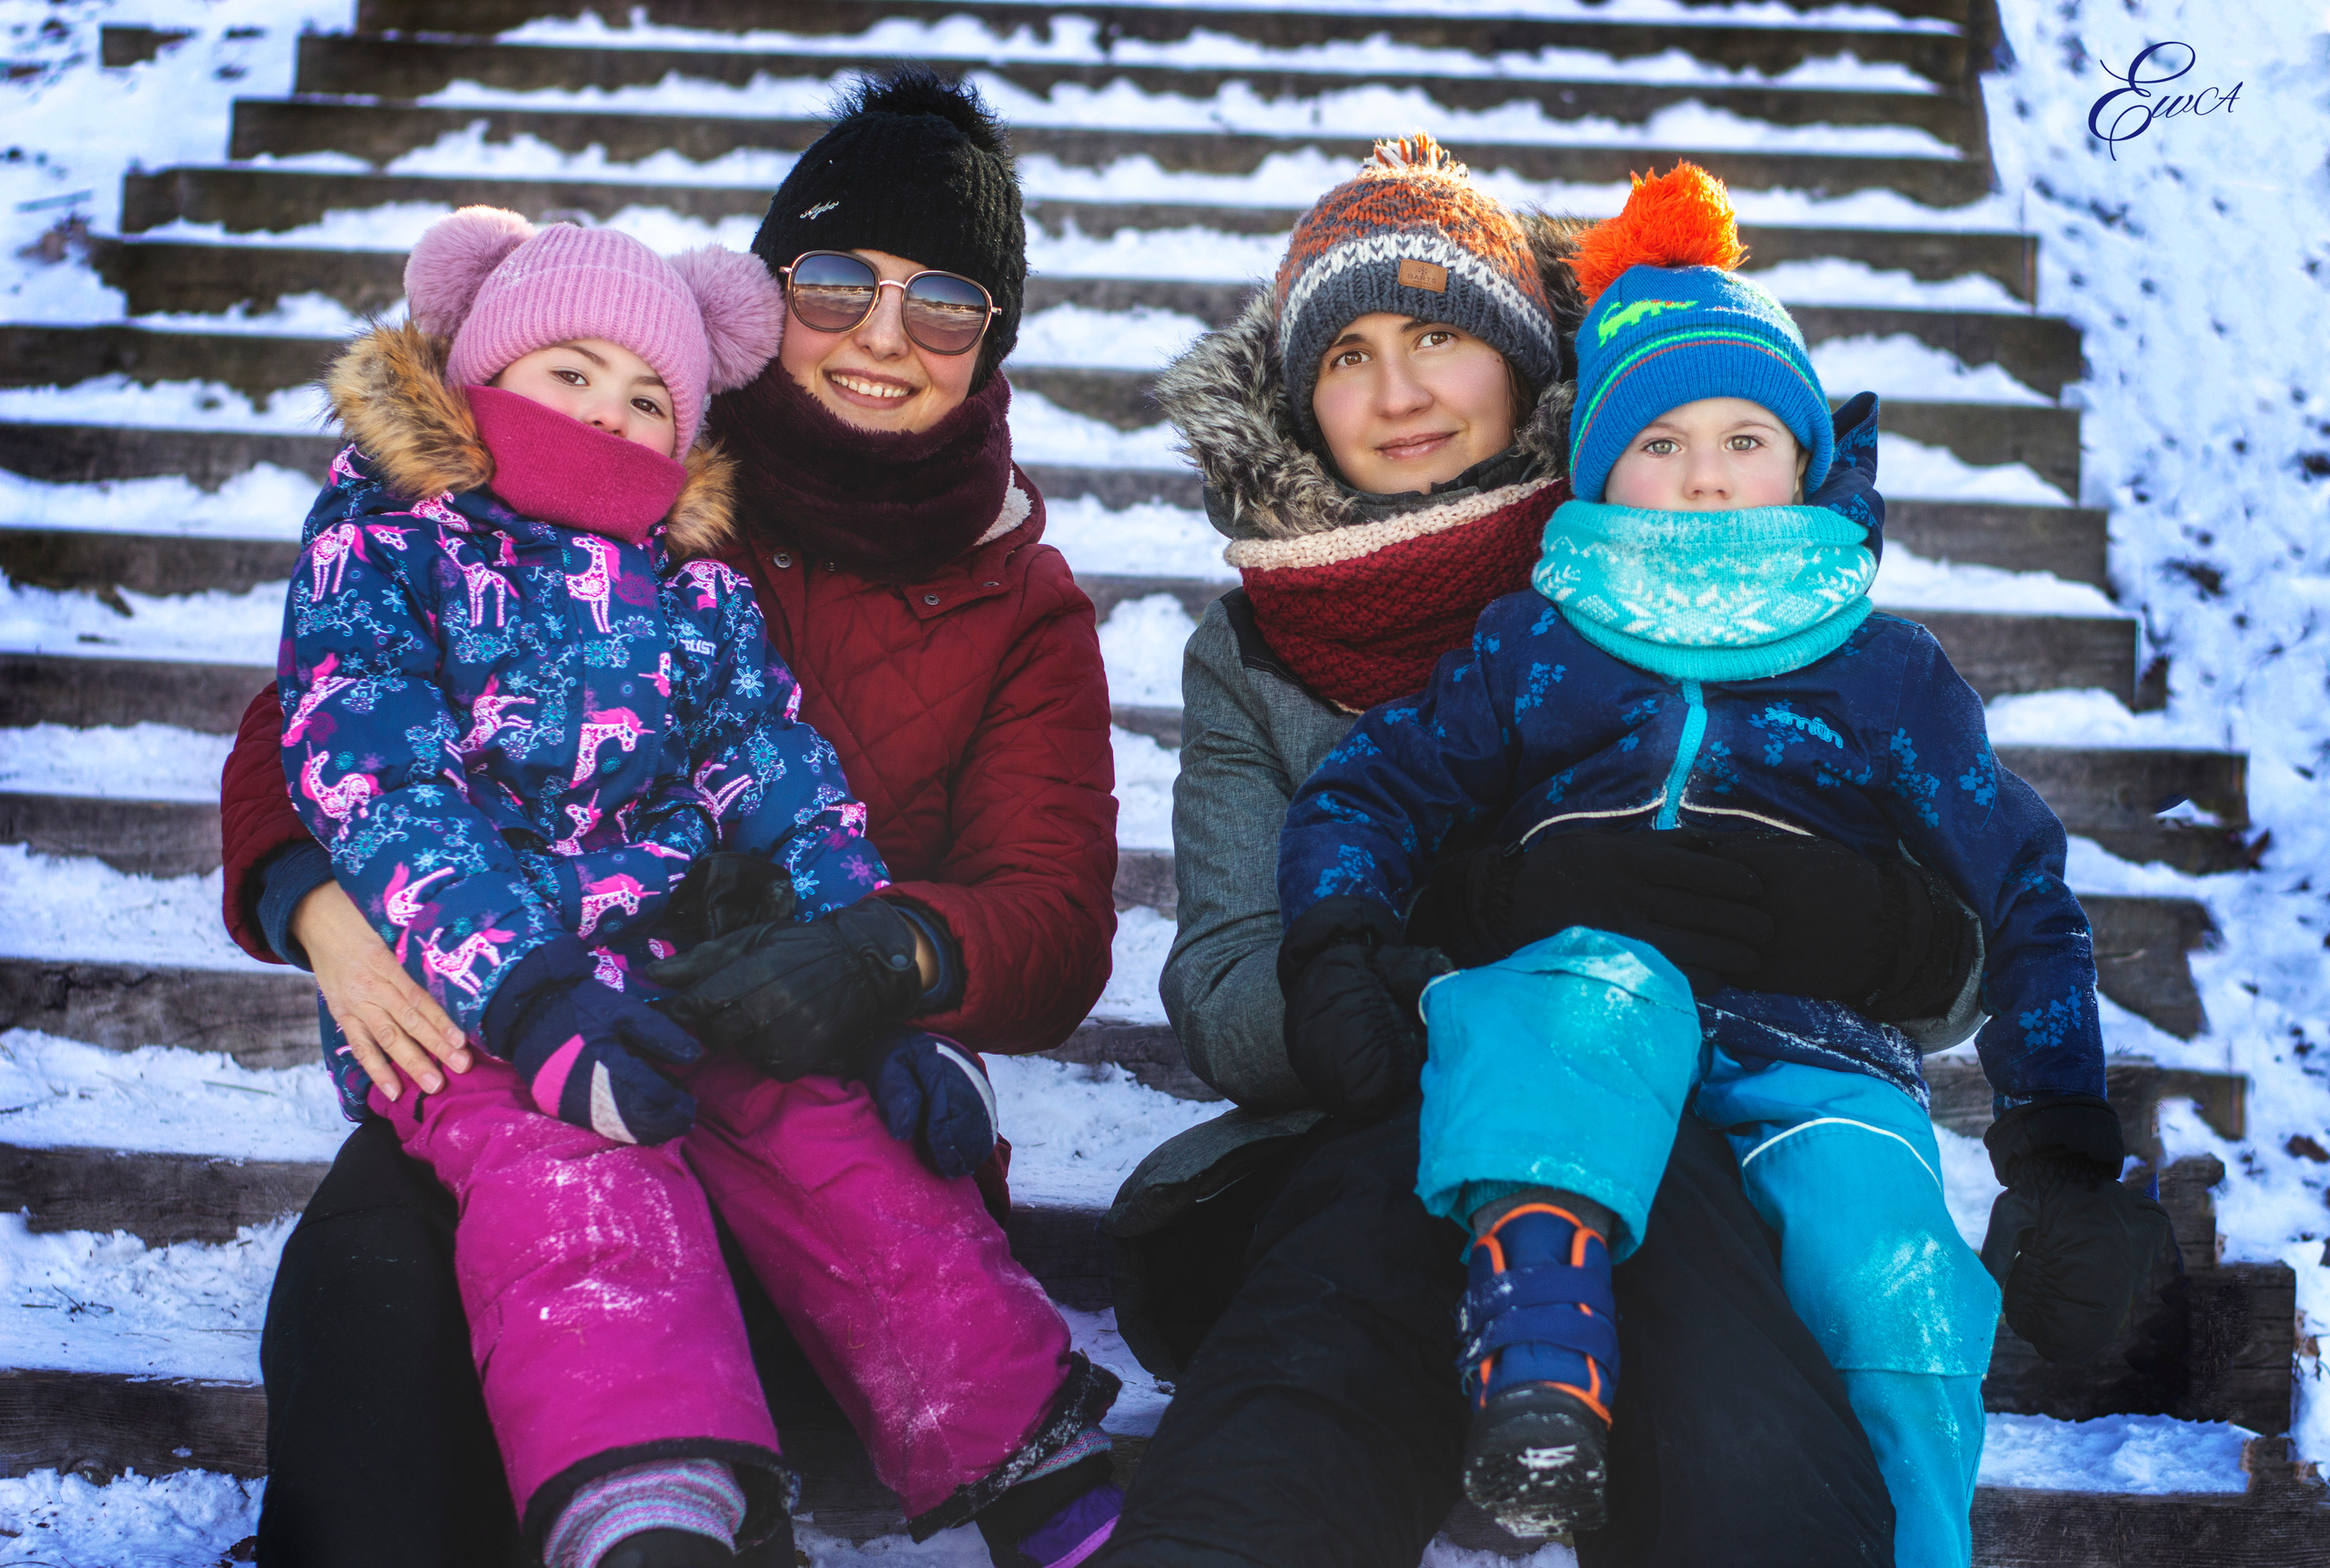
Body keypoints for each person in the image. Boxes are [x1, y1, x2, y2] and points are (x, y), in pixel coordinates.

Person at [218, 71, 1122, 1568]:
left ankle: (1024, 1467)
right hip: (521, 1012)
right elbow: (318, 719)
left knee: (847, 1201)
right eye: (839, 281)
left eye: (946, 303)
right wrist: (320, 903)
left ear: (994, 341)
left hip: (781, 1071)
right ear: (767, 300)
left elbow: (1050, 912)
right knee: (382, 1300)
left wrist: (888, 971)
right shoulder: (603, 482)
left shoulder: (1001, 592)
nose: (884, 334)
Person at [1272, 163, 2175, 1567]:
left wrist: (2058, 1148)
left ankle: (1915, 1540)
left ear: (1804, 462)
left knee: (1894, 1275)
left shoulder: (1880, 671)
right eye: (1660, 442)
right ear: (1598, 471)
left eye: (1747, 436)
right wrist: (1336, 939)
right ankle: (1542, 1363)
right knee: (1568, 991)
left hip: (1821, 1060)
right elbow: (1371, 789)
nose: (1703, 474)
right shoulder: (1538, 644)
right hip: (1592, 1026)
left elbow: (2021, 884)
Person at [1096, 137, 1962, 1568]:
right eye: (1348, 356)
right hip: (1367, 1129)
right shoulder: (1257, 654)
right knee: (1291, 1412)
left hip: (1690, 1117)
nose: (1396, 392)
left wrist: (1873, 928)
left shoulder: (1704, 549)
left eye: (1439, 336)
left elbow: (1953, 960)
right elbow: (1230, 993)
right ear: (1298, 400)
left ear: (1522, 365)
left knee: (1745, 1444)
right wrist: (1414, 973)